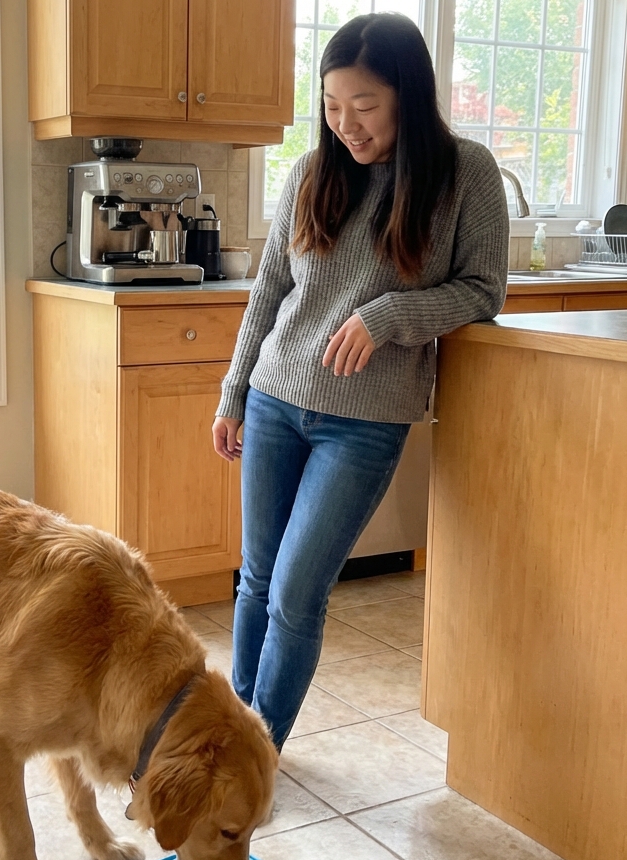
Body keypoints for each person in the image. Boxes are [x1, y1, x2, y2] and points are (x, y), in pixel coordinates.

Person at [212, 12, 509, 750]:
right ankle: (227, 739)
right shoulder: (313, 174)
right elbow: (270, 289)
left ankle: (256, 752)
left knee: (295, 592)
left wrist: (390, 316)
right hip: (277, 397)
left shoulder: (466, 174)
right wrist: (235, 392)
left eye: (365, 106)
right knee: (253, 580)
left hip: (364, 420)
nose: (346, 124)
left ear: (407, 95)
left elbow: (482, 291)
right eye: (332, 105)